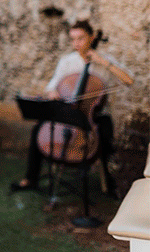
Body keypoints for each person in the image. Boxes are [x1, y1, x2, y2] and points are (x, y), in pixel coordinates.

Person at [10, 20, 134, 193]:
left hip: (94, 114)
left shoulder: (105, 61)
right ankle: (30, 178)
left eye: (81, 38)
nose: (76, 43)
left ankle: (111, 185)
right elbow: (52, 87)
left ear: (91, 38)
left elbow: (129, 80)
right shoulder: (67, 61)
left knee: (106, 132)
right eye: (73, 39)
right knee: (38, 129)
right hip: (69, 111)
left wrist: (104, 62)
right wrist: (53, 92)